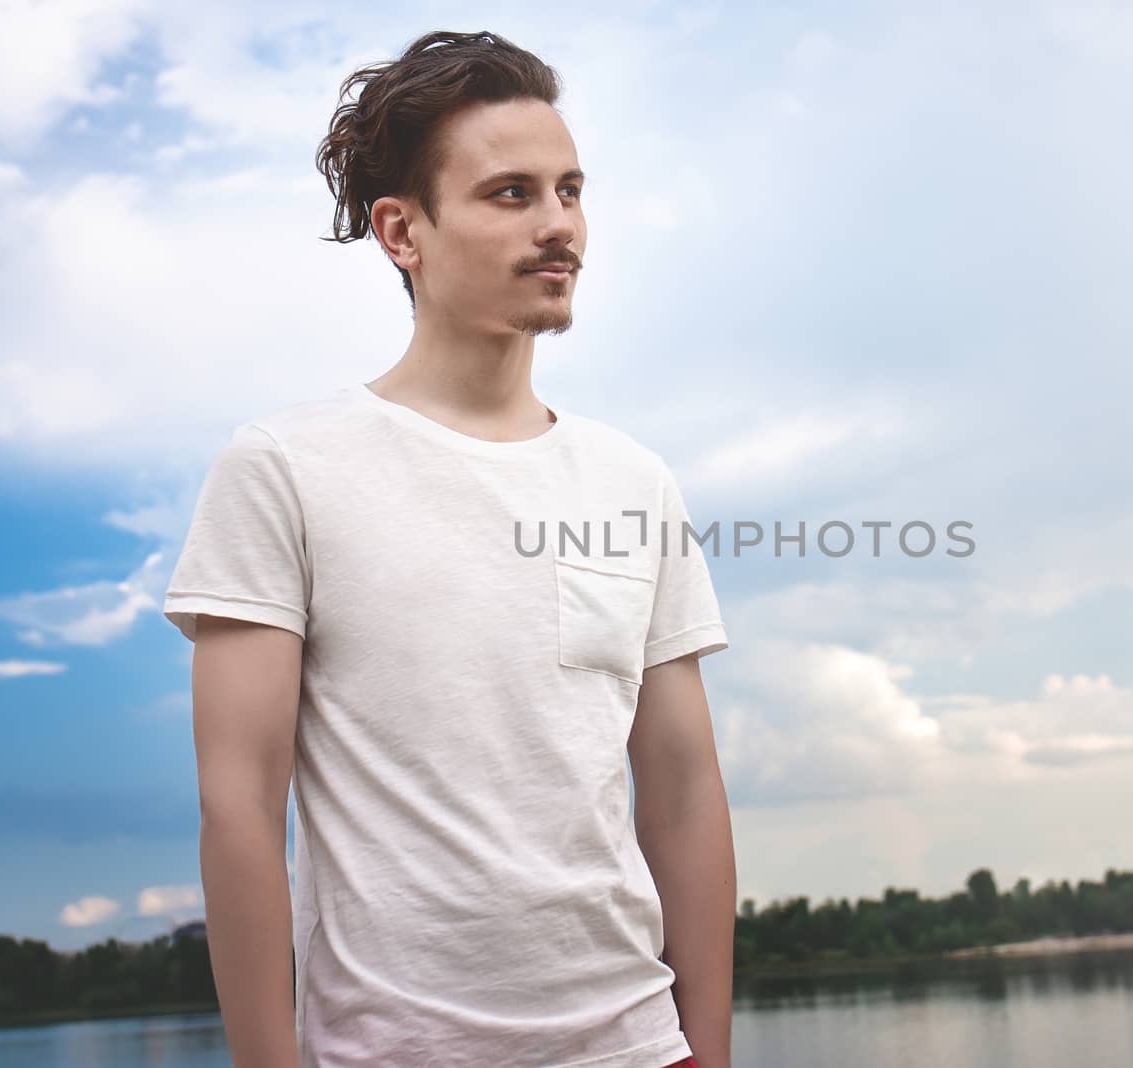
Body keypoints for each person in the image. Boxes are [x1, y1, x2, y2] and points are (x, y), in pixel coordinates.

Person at [163, 29, 733, 1068]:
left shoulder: (634, 482)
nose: (559, 225)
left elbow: (684, 786)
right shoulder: (284, 467)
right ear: (401, 231)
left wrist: (711, 1051)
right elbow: (239, 805)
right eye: (511, 194)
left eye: (569, 189)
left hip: (638, 1050)